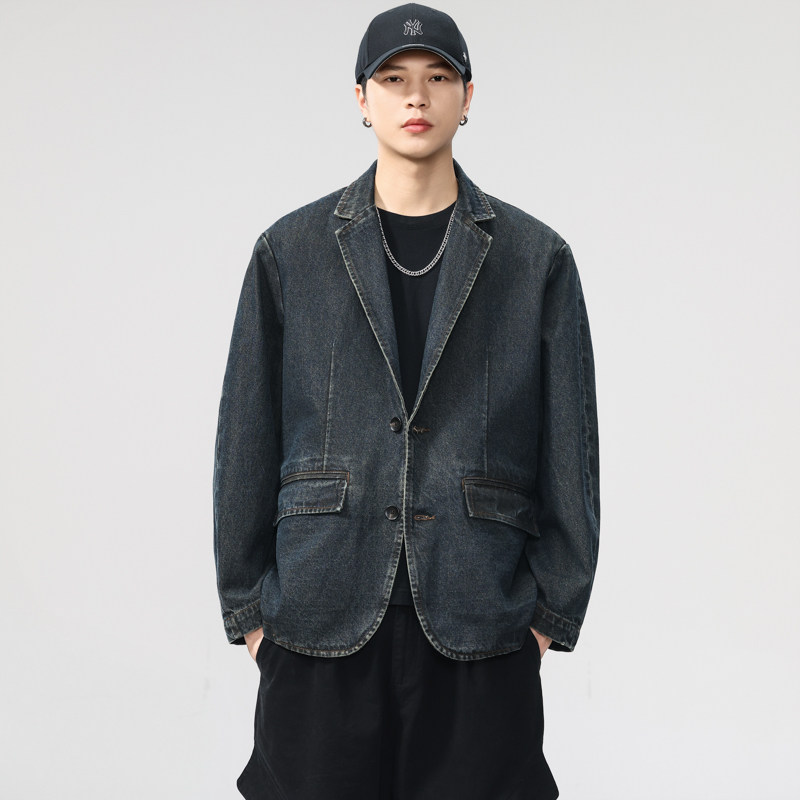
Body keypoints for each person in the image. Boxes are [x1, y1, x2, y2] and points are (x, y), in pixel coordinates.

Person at [213, 4, 600, 798]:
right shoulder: (290, 251)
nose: (416, 97)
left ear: (468, 96)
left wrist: (547, 616)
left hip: (480, 613)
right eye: (393, 79)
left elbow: (573, 447)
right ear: (362, 99)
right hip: (320, 608)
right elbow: (245, 436)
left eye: (437, 78)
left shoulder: (535, 259)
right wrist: (251, 612)